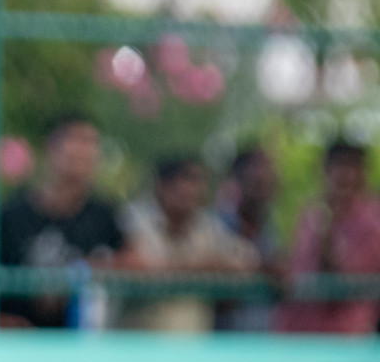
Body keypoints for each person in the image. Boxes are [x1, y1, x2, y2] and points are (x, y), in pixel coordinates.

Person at [0, 113, 125, 328]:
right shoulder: (11, 214)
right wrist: (0, 321)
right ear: (51, 147)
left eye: (91, 143)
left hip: (82, 339)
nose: (84, 150)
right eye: (76, 140)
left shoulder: (105, 214)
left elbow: (133, 260)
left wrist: (93, 268)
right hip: (19, 341)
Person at [116, 156, 258, 332]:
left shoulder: (208, 225)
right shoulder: (134, 218)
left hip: (193, 341)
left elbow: (245, 258)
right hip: (140, 337)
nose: (193, 189)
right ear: (162, 185)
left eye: (198, 181)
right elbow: (139, 265)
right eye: (186, 179)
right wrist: (204, 266)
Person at [275, 140, 380, 335]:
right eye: (338, 166)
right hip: (296, 333)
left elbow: (344, 282)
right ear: (324, 170)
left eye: (352, 167)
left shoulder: (373, 221)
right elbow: (295, 266)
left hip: (346, 337)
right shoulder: (310, 213)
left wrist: (327, 233)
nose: (344, 174)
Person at [215, 145, 282, 331]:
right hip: (221, 340)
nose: (265, 187)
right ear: (238, 180)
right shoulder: (215, 226)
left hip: (260, 340)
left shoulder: (270, 229)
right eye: (257, 181)